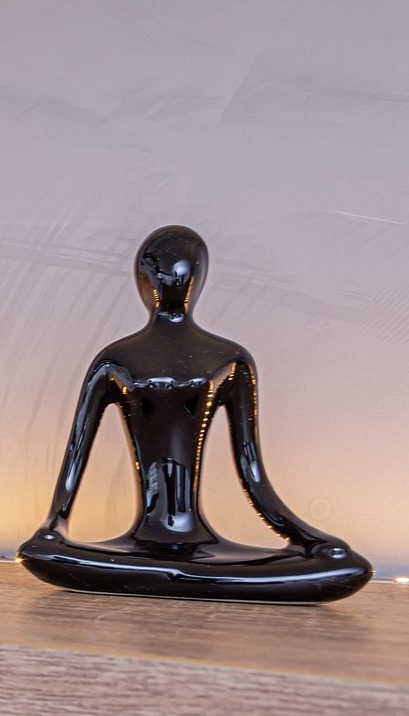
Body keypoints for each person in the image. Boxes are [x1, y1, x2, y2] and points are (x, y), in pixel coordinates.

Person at [19, 225, 370, 602]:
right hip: (135, 547)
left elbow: (252, 473)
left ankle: (175, 574)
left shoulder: (229, 360)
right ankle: (184, 575)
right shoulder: (116, 360)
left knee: (341, 564)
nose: (171, 283)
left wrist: (311, 540)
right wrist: (53, 528)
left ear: (198, 280)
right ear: (145, 281)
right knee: (41, 554)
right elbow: (76, 455)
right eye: (159, 274)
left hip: (204, 550)